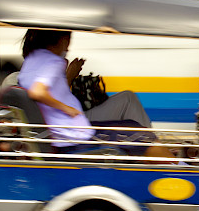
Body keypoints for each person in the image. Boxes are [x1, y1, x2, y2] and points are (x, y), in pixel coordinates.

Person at [17, 29, 151, 145]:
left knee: (127, 100)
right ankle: (151, 146)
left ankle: (150, 144)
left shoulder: (31, 64)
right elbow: (40, 93)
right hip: (71, 125)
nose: (68, 48)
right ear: (62, 40)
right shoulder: (52, 63)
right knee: (129, 103)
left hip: (64, 124)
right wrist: (69, 81)